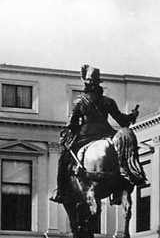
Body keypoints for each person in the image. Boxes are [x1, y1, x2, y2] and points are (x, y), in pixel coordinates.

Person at [49, 65, 140, 204]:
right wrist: (132, 115)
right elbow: (122, 121)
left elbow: (72, 124)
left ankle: (61, 192)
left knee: (64, 160)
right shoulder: (108, 101)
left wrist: (66, 133)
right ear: (98, 83)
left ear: (86, 83)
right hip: (107, 134)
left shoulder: (80, 102)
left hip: (86, 136)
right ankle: (124, 183)